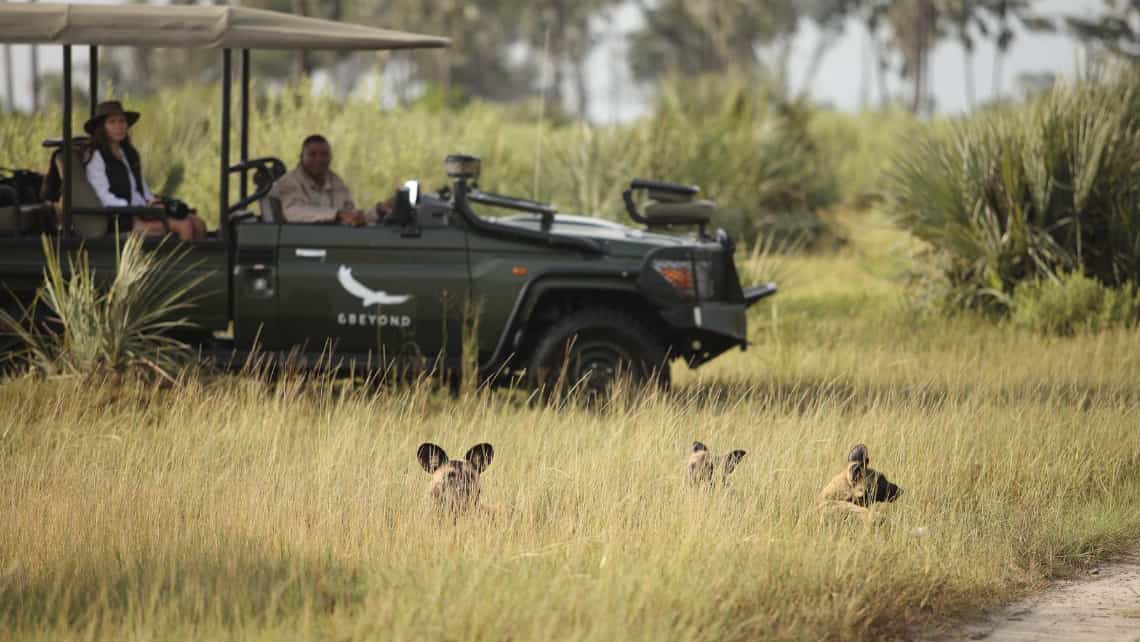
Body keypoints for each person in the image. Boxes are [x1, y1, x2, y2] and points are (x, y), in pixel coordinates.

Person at [83, 100, 206, 241]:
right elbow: (103, 196)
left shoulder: (128, 153)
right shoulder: (96, 156)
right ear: (102, 127)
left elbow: (141, 189)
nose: (119, 126)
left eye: (122, 121)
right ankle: (181, 263)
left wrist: (152, 202)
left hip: (140, 211)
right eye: (112, 122)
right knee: (185, 226)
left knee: (198, 223)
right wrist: (137, 209)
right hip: (120, 218)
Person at [270, 134, 388, 226]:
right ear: (301, 157)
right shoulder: (289, 182)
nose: (319, 159)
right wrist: (337, 215)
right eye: (312, 154)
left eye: (324, 154)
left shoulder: (335, 182)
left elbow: (350, 216)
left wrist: (378, 210)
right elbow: (293, 212)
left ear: (330, 157)